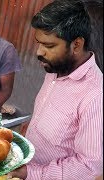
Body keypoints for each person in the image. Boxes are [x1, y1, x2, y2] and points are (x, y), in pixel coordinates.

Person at [9, 0, 103, 179]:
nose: (38, 52)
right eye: (39, 43)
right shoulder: (56, 67)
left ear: (76, 45)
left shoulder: (95, 96)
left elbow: (89, 167)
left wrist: (31, 173)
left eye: (49, 46)